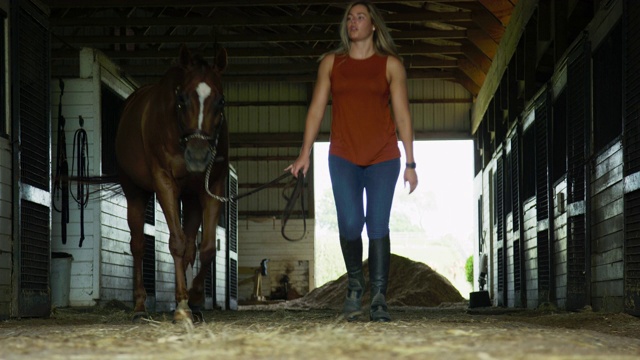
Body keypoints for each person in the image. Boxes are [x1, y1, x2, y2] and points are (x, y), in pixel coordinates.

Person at [286, 1, 418, 322]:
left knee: (377, 225)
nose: (353, 22)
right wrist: (305, 153)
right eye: (349, 18)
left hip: (383, 157)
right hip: (343, 155)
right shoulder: (332, 64)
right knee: (348, 224)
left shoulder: (391, 65)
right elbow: (316, 109)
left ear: (373, 26)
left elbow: (402, 114)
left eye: (360, 17)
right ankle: (355, 285)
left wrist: (411, 163)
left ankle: (379, 298)